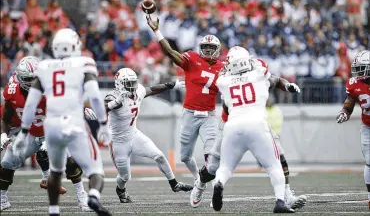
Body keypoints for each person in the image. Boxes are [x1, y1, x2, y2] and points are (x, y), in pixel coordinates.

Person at [11, 28, 112, 216]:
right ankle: (93, 196)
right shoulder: (85, 63)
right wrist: (103, 124)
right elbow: (95, 97)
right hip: (74, 122)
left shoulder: (44, 67)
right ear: (75, 45)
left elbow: (31, 104)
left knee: (56, 171)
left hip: (52, 126)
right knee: (95, 169)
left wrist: (23, 133)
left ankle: (54, 210)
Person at [146, 14, 224, 207]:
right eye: (205, 47)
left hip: (209, 116)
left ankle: (203, 185)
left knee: (211, 154)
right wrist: (157, 31)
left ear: (218, 50)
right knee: (184, 156)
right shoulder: (192, 59)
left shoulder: (224, 68)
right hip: (189, 114)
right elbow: (171, 53)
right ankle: (199, 178)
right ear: (200, 49)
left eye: (211, 48)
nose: (207, 51)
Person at [212, 46, 300, 213]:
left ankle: (219, 183)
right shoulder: (259, 73)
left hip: (233, 126)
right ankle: (280, 201)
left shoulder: (223, 81)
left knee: (225, 167)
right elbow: (274, 80)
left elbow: (224, 78)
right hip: (256, 125)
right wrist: (287, 86)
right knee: (274, 166)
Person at [0, 56, 91, 212]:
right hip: (29, 133)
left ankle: (82, 196)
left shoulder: (51, 88)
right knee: (7, 162)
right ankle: (2, 200)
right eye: (29, 78)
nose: (33, 82)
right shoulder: (12, 91)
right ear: (20, 78)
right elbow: (7, 118)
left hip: (53, 129)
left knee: (70, 161)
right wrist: (3, 134)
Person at [104, 68, 193, 203]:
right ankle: (120, 190)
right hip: (118, 142)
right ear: (119, 84)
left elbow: (151, 89)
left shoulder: (138, 90)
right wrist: (115, 102)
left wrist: (170, 85)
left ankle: (174, 184)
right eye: (128, 83)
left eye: (133, 82)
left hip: (134, 135)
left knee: (159, 156)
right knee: (125, 177)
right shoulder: (112, 96)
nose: (132, 86)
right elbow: (104, 108)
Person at [337, 50, 370, 210]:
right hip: (368, 127)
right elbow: (349, 102)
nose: (358, 72)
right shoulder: (354, 84)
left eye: (362, 68)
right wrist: (344, 112)